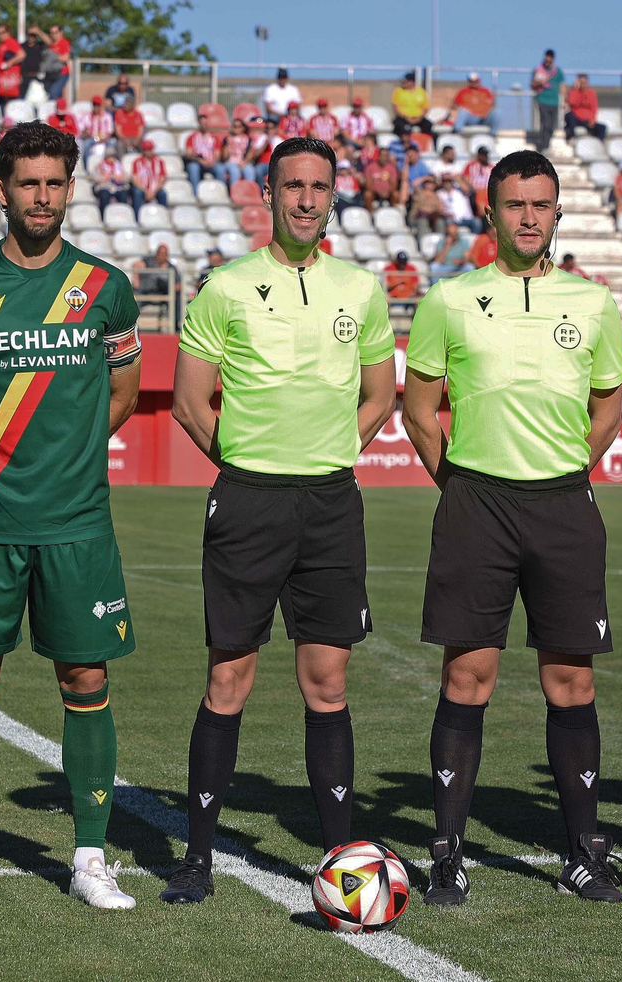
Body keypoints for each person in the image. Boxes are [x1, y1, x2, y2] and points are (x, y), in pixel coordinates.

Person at [160, 136, 396, 906]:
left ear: (334, 196)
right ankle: (197, 857)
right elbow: (192, 403)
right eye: (291, 185)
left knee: (327, 681)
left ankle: (340, 858)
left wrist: (328, 452)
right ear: (268, 193)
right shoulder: (225, 288)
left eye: (318, 186)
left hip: (329, 502)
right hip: (250, 500)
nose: (304, 198)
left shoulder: (361, 289)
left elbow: (379, 396)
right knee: (229, 676)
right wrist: (247, 462)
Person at [0, 122, 144, 912]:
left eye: (54, 183)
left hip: (78, 522)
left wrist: (68, 454)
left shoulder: (106, 287)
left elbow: (123, 392)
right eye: (27, 183)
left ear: (69, 188)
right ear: (2, 190)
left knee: (85, 675)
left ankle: (89, 857)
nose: (41, 196)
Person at [401, 149, 622, 906]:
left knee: (571, 680)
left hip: (563, 505)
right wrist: (461, 483)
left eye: (541, 204)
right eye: (515, 205)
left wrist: (565, 473)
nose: (529, 217)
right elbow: (419, 407)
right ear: (490, 212)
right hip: (477, 507)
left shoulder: (593, 303)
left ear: (557, 212)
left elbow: (608, 409)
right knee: (468, 676)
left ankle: (583, 852)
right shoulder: (449, 300)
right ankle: (447, 855)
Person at [530, 50, 563, 152]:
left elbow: (562, 86)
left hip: (554, 101)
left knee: (552, 125)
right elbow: (533, 85)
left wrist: (564, 100)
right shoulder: (538, 70)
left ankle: (545, 144)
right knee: (545, 123)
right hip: (543, 100)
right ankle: (544, 145)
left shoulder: (558, 72)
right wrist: (541, 82)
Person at [182, 112, 223, 187]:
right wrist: (200, 160)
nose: (204, 125)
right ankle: (195, 194)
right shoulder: (191, 138)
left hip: (211, 163)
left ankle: (220, 191)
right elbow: (189, 154)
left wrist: (213, 162)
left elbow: (217, 154)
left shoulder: (214, 138)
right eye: (202, 123)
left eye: (206, 123)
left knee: (220, 168)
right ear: (199, 124)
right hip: (198, 162)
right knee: (193, 168)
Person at [128, 139, 167, 217]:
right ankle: (137, 216)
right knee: (137, 193)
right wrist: (146, 191)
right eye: (146, 150)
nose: (148, 152)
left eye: (150, 149)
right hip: (142, 188)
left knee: (163, 194)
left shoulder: (159, 162)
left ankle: (163, 216)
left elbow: (162, 178)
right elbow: (135, 179)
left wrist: (154, 191)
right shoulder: (137, 162)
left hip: (155, 188)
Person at [564, 74, 607, 140]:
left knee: (602, 128)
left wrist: (592, 120)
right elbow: (571, 101)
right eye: (581, 82)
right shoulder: (574, 91)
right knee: (569, 116)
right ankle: (571, 138)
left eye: (585, 82)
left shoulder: (592, 93)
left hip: (587, 120)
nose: (583, 84)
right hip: (576, 119)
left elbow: (594, 108)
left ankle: (598, 144)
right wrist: (575, 88)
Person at [391, 72, 432, 140]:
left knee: (428, 125)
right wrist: (406, 117)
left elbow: (425, 108)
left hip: (418, 118)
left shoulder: (421, 92)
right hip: (404, 118)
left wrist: (419, 118)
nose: (404, 83)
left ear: (412, 82)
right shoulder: (399, 91)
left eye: (406, 81)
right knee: (398, 126)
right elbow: (396, 107)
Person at [213, 117, 253, 185]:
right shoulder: (228, 138)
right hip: (230, 162)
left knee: (250, 170)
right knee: (235, 171)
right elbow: (224, 157)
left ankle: (249, 190)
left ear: (243, 128)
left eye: (239, 127)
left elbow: (250, 153)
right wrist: (228, 144)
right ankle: (234, 192)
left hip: (243, 162)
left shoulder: (248, 139)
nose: (236, 128)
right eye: (234, 126)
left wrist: (244, 162)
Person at [0, 24, 24, 110]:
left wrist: (8, 63)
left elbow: (21, 55)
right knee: (1, 101)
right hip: (1, 78)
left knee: (9, 103)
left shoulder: (11, 42)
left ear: (8, 32)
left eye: (3, 32)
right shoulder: (1, 45)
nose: (1, 35)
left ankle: (9, 121)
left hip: (9, 79)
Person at [92, 145, 130, 211]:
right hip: (105, 186)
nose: (112, 158)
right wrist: (107, 177)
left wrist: (116, 177)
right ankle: (103, 214)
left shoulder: (119, 165)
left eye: (113, 156)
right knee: (104, 194)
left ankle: (123, 212)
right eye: (110, 156)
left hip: (118, 187)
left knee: (123, 194)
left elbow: (125, 178)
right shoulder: (100, 165)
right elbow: (96, 178)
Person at [46, 24, 72, 102]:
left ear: (61, 32)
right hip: (52, 73)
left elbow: (66, 57)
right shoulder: (52, 45)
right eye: (52, 33)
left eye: (56, 32)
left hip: (62, 73)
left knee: (53, 94)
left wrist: (53, 57)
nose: (54, 35)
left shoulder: (64, 42)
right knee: (57, 95)